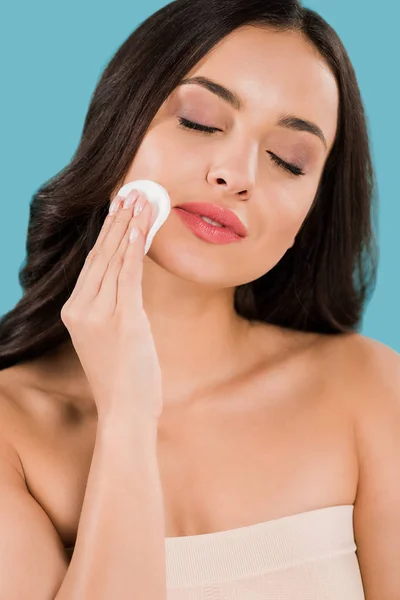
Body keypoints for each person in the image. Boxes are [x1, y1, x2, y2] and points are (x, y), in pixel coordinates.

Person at [0, 0, 398, 598]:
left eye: (288, 160)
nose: (237, 174)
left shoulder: (369, 389)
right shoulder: (11, 430)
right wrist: (127, 418)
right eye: (200, 121)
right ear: (120, 128)